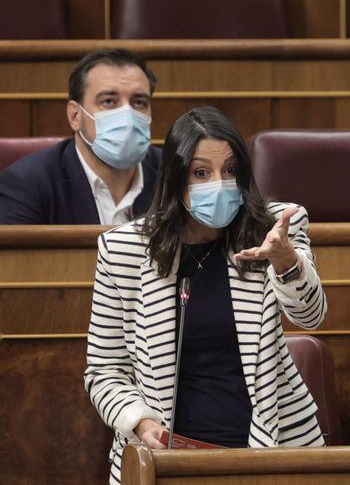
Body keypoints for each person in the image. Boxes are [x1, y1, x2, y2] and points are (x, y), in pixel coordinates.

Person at [84, 106, 327, 485]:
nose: (220, 183)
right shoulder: (124, 250)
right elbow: (104, 371)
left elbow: (310, 316)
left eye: (231, 171)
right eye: (201, 173)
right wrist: (140, 421)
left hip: (275, 447)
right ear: (175, 179)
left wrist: (286, 261)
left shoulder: (275, 227)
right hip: (166, 456)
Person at [0, 48, 161, 224]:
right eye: (108, 101)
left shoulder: (175, 173)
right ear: (75, 116)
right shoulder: (28, 184)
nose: (127, 115)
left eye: (139, 102)